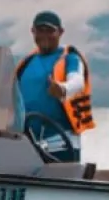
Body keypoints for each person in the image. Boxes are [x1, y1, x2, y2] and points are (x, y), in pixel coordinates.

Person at [13, 10, 94, 163]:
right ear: (32, 31)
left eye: (50, 31)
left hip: (62, 144)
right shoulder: (26, 63)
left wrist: (63, 89)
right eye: (40, 30)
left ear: (60, 32)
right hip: (29, 144)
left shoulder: (70, 58)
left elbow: (77, 81)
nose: (45, 35)